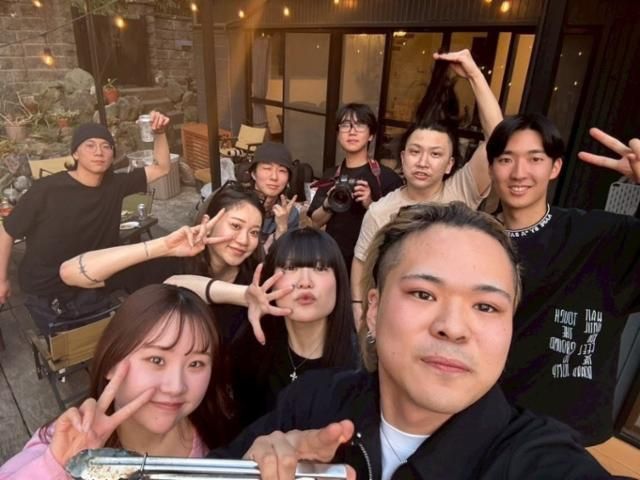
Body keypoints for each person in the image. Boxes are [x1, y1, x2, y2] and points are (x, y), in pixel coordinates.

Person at [210, 202, 611, 480]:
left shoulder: (535, 459)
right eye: (423, 294)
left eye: (486, 306)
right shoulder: (311, 404)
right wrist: (249, 471)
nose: (453, 327)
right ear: (373, 308)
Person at [485, 113, 640, 446]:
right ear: (491, 167)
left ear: (555, 167)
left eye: (535, 159)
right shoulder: (473, 240)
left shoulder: (597, 237)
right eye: (506, 159)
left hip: (569, 437)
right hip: (487, 425)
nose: (519, 172)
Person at [0, 284, 234, 479]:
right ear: (112, 362)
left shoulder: (214, 424)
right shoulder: (64, 445)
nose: (176, 387)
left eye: (196, 364)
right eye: (156, 360)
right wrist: (58, 468)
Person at [351, 49, 501, 325]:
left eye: (435, 154)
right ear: (402, 157)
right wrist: (359, 311)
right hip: (397, 317)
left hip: (452, 318)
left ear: (449, 164)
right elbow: (361, 262)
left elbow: (497, 138)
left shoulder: (462, 190)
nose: (423, 162)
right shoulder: (380, 211)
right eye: (415, 151)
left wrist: (474, 75)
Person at [166, 227, 358, 428]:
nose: (305, 282)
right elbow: (171, 286)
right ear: (271, 280)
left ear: (339, 280)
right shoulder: (254, 341)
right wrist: (243, 296)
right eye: (290, 267)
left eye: (320, 268)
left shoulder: (360, 366)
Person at [0, 112, 171, 333]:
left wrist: (160, 133)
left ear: (112, 155)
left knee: (99, 342)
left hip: (91, 283)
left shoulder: (116, 185)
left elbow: (162, 168)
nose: (99, 152)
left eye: (106, 146)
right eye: (90, 145)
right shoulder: (47, 189)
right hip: (46, 290)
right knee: (61, 347)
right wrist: (2, 279)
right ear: (75, 153)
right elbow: (8, 231)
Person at [59, 181, 265, 343]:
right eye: (235, 226)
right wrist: (163, 246)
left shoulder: (256, 278)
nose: (244, 240)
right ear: (207, 222)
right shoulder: (168, 264)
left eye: (254, 232)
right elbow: (70, 272)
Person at [307, 103, 403, 270]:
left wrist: (370, 204)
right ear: (338, 134)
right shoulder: (332, 174)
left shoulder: (387, 178)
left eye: (359, 125)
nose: (352, 131)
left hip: (369, 263)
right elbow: (315, 221)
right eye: (345, 125)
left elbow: (396, 230)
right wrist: (328, 204)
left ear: (371, 135)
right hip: (334, 259)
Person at [249, 142, 299, 249]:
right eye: (267, 168)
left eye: (282, 170)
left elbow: (285, 256)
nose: (274, 177)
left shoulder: (290, 214)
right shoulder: (235, 203)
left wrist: (282, 227)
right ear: (253, 174)